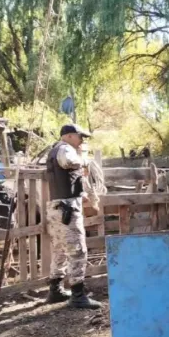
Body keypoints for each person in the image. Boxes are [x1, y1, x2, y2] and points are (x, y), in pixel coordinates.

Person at [44, 124, 103, 309]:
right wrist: (84, 160)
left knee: (60, 249)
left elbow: (67, 177)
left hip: (58, 207)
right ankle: (78, 295)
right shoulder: (65, 149)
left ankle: (55, 290)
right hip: (67, 210)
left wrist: (81, 193)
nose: (82, 140)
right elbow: (68, 162)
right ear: (69, 136)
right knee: (77, 250)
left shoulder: (55, 149)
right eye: (80, 136)